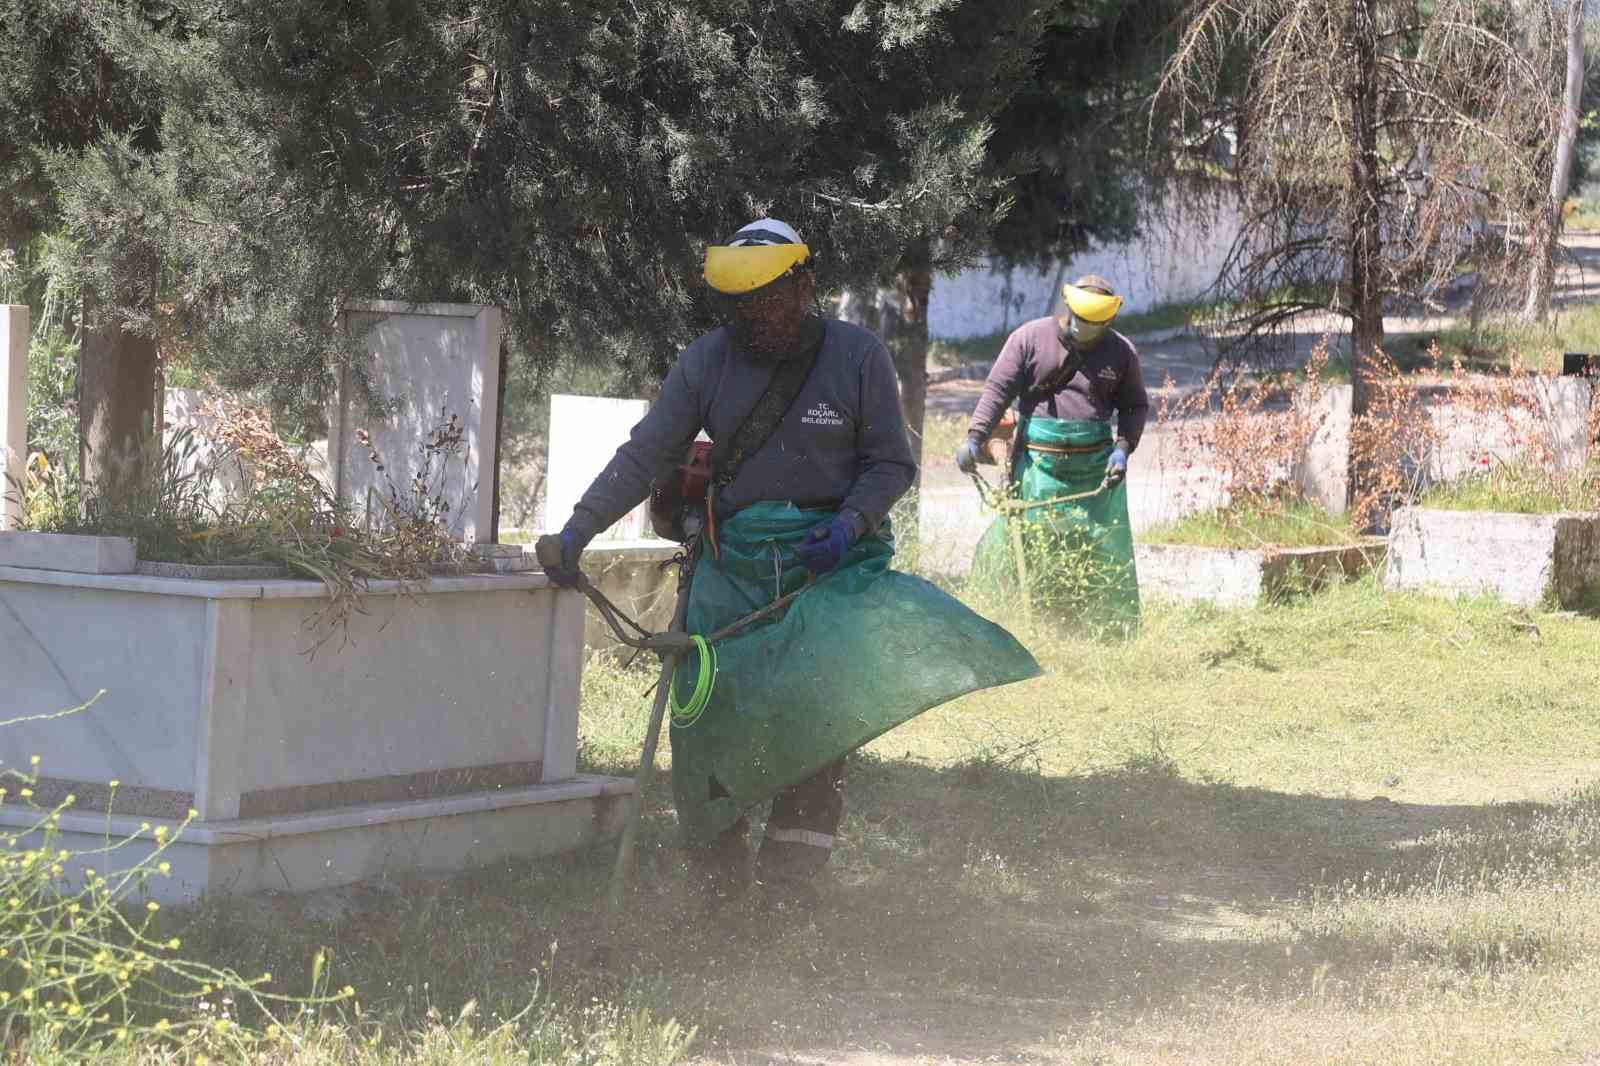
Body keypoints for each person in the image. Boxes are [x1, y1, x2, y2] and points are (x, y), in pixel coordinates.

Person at [542, 219, 1039, 910]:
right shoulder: (708, 361)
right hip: (731, 564)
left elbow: (891, 463)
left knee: (813, 724)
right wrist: (577, 530)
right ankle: (717, 887)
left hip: (829, 571)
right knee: (707, 719)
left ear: (804, 285)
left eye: (770, 299)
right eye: (743, 305)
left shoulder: (858, 356)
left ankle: (788, 897)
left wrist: (846, 525)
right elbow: (645, 455)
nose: (758, 317)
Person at [956, 275, 1149, 628]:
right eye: (1081, 319)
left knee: (1097, 550)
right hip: (1036, 467)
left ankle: (1103, 627)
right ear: (1068, 307)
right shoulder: (1029, 339)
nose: (1086, 329)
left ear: (1108, 321)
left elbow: (1135, 406)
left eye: (1096, 324)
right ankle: (1030, 623)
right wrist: (974, 437)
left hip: (1095, 472)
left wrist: (1123, 448)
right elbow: (997, 391)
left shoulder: (1121, 352)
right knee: (1033, 543)